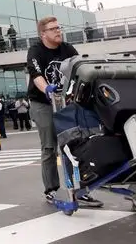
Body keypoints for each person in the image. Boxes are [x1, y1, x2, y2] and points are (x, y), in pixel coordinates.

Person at [27, 16, 102, 207]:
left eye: (58, 28)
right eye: (53, 29)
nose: (58, 31)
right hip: (42, 103)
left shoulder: (68, 49)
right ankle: (51, 190)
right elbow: (36, 75)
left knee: (74, 143)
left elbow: (81, 68)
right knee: (50, 147)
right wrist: (47, 89)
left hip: (66, 101)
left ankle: (80, 188)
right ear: (43, 34)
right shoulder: (36, 51)